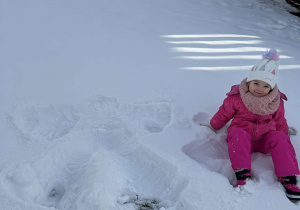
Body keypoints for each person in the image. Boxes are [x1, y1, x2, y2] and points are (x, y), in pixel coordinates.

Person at [193, 49, 300, 200]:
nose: (260, 89)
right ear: (249, 82)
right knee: (237, 133)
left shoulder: (276, 101)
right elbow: (224, 113)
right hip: (242, 139)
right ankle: (243, 175)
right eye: (256, 83)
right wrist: (214, 125)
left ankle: (289, 179)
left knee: (280, 137)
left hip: (264, 139)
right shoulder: (237, 97)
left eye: (265, 86)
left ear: (271, 88)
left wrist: (283, 135)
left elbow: (280, 120)